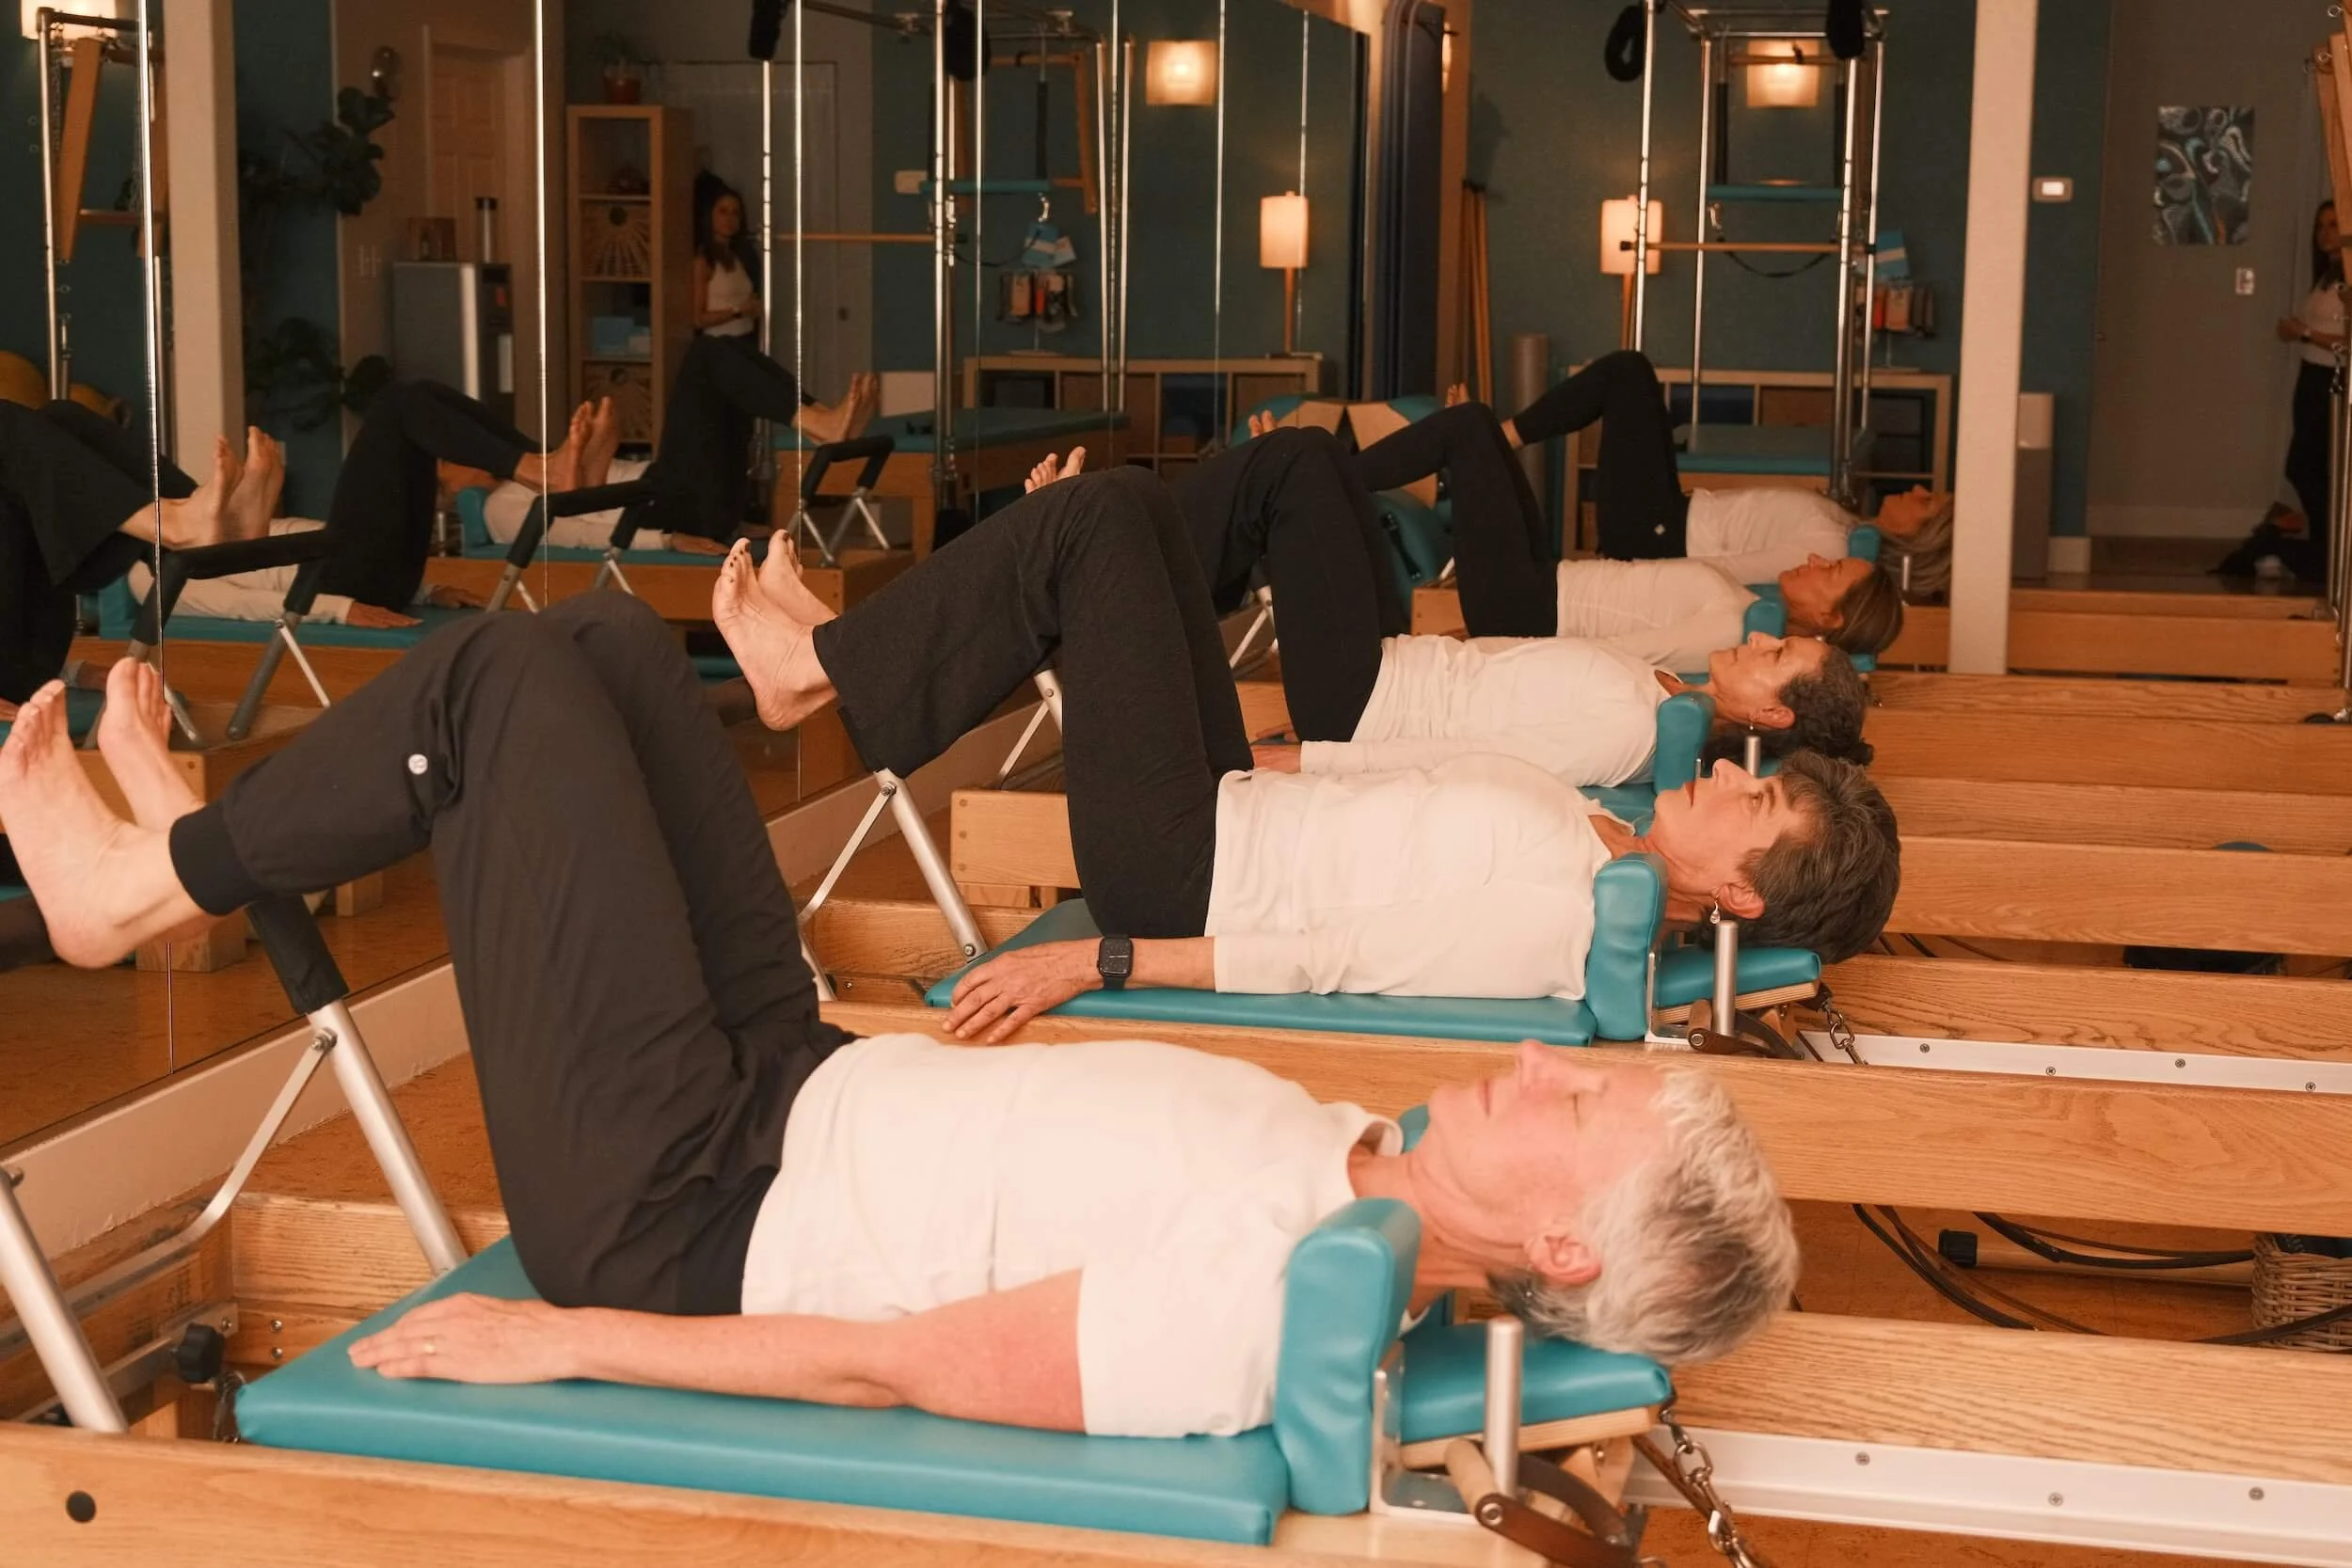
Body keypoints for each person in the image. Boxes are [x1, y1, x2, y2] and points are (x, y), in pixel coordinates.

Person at [0, 599, 1799, 1439]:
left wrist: (574, 1340)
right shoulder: (1350, 1166)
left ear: (1559, 1233)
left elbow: (905, 1363)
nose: (1549, 1063)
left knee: (505, 690)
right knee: (615, 652)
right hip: (797, 1080)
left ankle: (147, 885)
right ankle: (178, 844)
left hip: (685, 1205)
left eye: (1582, 1106)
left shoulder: (1272, 1302)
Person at [709, 467, 1901, 1031]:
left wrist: (1095, 962)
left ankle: (818, 668)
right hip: (1234, 801)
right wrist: (1273, 752)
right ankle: (840, 654)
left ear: (1739, 888)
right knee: (1129, 516)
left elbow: (1329, 952)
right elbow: (1408, 787)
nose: (1728, 777)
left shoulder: (1569, 914)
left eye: (1754, 806)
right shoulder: (1604, 832)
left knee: (1092, 527)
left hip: (1188, 870)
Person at [1104, 430, 1872, 773]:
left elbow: (1472, 761)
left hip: (1366, 704)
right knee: (1326, 463)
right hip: (1396, 665)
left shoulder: (1636, 729)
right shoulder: (1667, 698)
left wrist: (1315, 759)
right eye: (1782, 641)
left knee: (1296, 466)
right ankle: (1150, 580)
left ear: (1773, 714)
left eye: (1777, 659)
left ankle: (1116, 572)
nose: (1765, 636)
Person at [1446, 351, 1929, 642]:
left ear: (1922, 536)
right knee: (1631, 379)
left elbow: (1728, 574)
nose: (1919, 489)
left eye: (1928, 504)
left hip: (1661, 534)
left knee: (1627, 374)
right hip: (1672, 516)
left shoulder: (1834, 544)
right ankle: (1480, 448)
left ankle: (1484, 442)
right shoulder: (1842, 531)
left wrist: (1634, 576)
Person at [0, 397, 269, 703]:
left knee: (61, 418)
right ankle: (173, 527)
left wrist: (74, 672)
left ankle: (224, 527)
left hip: (27, 651)